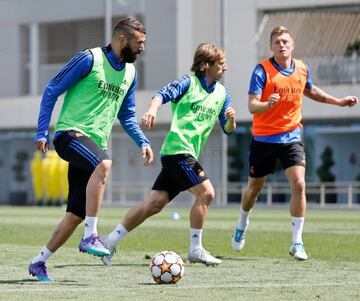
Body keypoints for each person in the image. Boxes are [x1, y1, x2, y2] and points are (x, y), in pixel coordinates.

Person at [28, 18, 153, 281]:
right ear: (122, 40)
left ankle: (39, 262)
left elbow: (127, 116)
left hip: (92, 146)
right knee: (105, 164)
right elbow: (51, 89)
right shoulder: (88, 59)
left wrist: (143, 141)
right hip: (69, 135)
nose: (142, 48)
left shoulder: (130, 73)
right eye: (139, 43)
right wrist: (42, 131)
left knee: (74, 214)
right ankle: (91, 236)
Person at [100, 43, 236, 267]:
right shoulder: (188, 82)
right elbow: (161, 95)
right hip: (177, 151)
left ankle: (109, 241)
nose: (226, 68)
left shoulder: (222, 94)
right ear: (205, 66)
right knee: (207, 194)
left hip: (184, 154)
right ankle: (195, 249)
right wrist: (153, 110)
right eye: (221, 64)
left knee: (153, 204)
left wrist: (230, 119)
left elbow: (228, 130)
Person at [231, 26, 358, 261]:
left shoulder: (301, 68)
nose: (282, 45)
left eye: (285, 41)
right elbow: (251, 106)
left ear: (292, 45)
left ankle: (297, 242)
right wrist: (266, 104)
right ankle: (242, 223)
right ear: (271, 46)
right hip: (264, 138)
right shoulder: (262, 70)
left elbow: (311, 91)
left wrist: (338, 102)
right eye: (277, 41)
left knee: (299, 183)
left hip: (291, 136)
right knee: (253, 190)